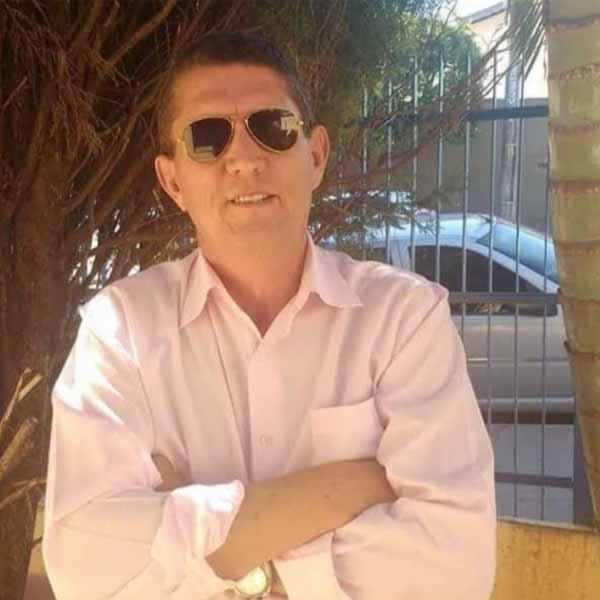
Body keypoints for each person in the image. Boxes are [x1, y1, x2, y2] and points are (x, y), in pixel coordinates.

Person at [43, 32, 496, 600]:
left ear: (316, 155)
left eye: (272, 127)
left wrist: (216, 552)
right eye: (207, 137)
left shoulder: (404, 319)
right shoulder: (120, 331)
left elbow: (455, 567)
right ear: (173, 180)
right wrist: (342, 489)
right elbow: (83, 564)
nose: (243, 158)